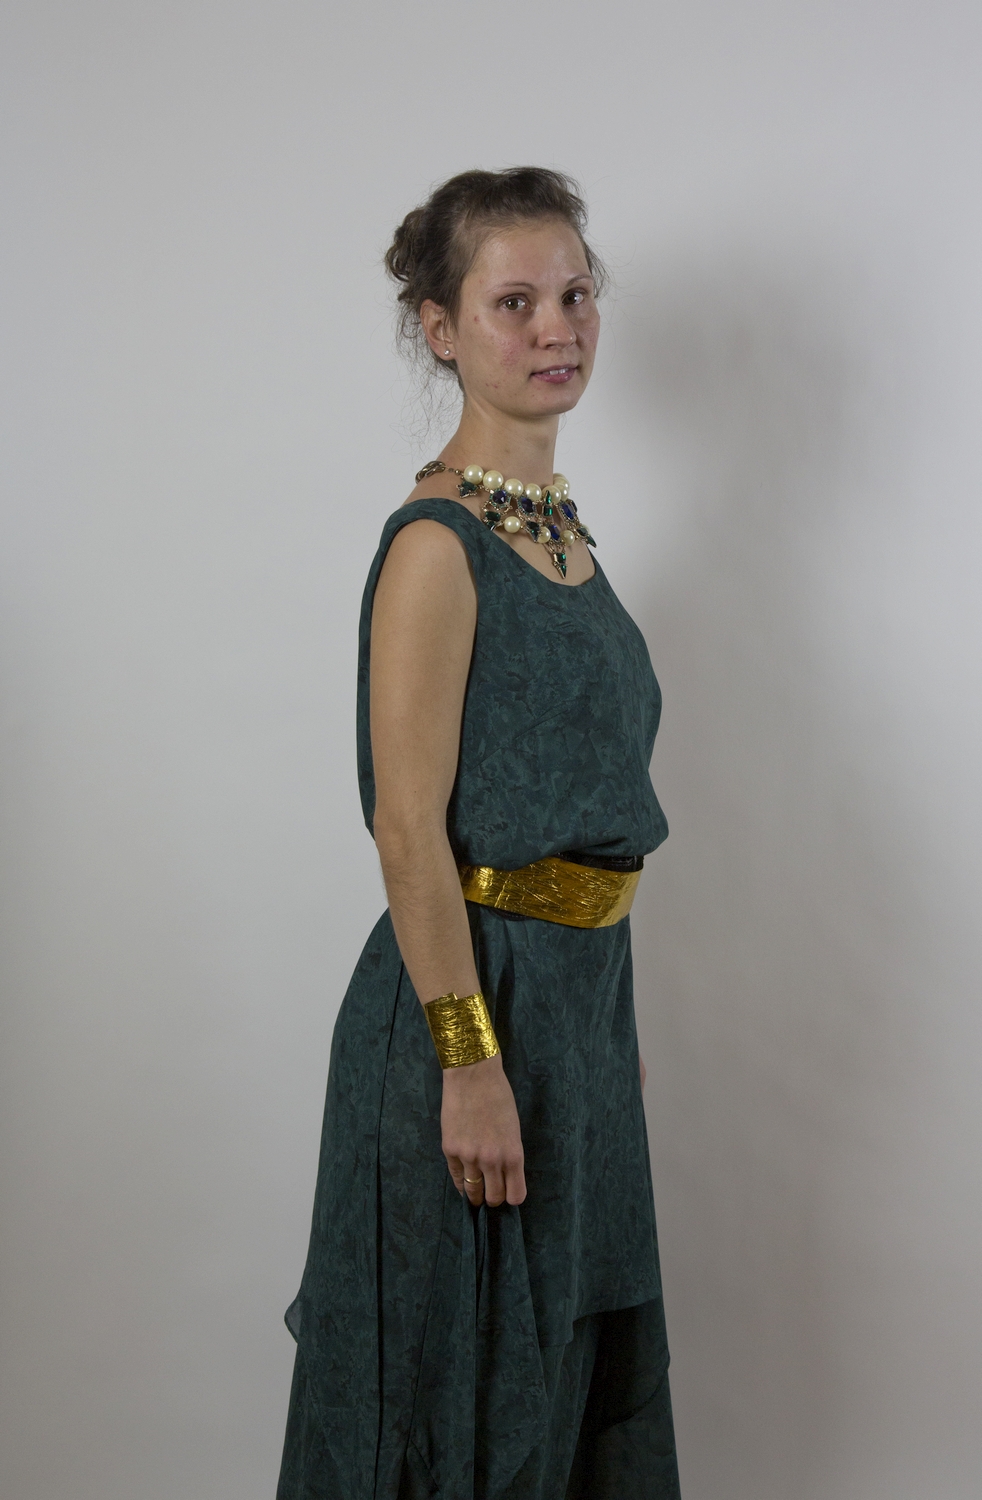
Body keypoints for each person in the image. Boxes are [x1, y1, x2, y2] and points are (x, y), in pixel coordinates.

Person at [277, 167, 681, 1500]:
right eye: (514, 303)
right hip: (475, 1013)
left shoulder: (563, 537)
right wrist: (467, 1059)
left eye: (575, 294)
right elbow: (407, 827)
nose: (557, 327)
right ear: (440, 328)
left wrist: (588, 1037)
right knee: (455, 1389)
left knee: (559, 1384)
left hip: (578, 1021)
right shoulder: (437, 547)